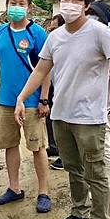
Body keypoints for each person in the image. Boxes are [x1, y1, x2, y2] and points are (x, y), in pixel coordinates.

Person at [14, 0, 110, 219]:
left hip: (90, 118)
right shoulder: (55, 37)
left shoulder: (99, 32)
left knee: (96, 173)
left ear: (86, 5)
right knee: (74, 170)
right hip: (62, 116)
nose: (69, 4)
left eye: (76, 0)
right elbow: (41, 71)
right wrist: (22, 97)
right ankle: (80, 214)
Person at [0, 0, 52, 213]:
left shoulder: (37, 33)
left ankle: (44, 192)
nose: (16, 7)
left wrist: (44, 99)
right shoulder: (0, 32)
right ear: (6, 4)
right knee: (10, 145)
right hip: (5, 101)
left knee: (37, 147)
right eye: (13, 2)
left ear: (29, 7)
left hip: (32, 102)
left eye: (21, 3)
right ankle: (14, 188)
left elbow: (46, 69)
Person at [88, 1, 110, 200]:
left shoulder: (106, 37)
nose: (91, 17)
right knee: (90, 149)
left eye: (95, 15)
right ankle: (95, 185)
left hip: (102, 104)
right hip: (84, 103)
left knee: (104, 145)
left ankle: (109, 188)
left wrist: (95, 71)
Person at [45, 14, 65, 171]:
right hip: (52, 85)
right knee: (50, 118)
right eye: (50, 29)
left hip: (63, 90)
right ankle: (54, 147)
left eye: (54, 28)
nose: (52, 32)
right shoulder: (53, 43)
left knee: (62, 122)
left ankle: (64, 156)